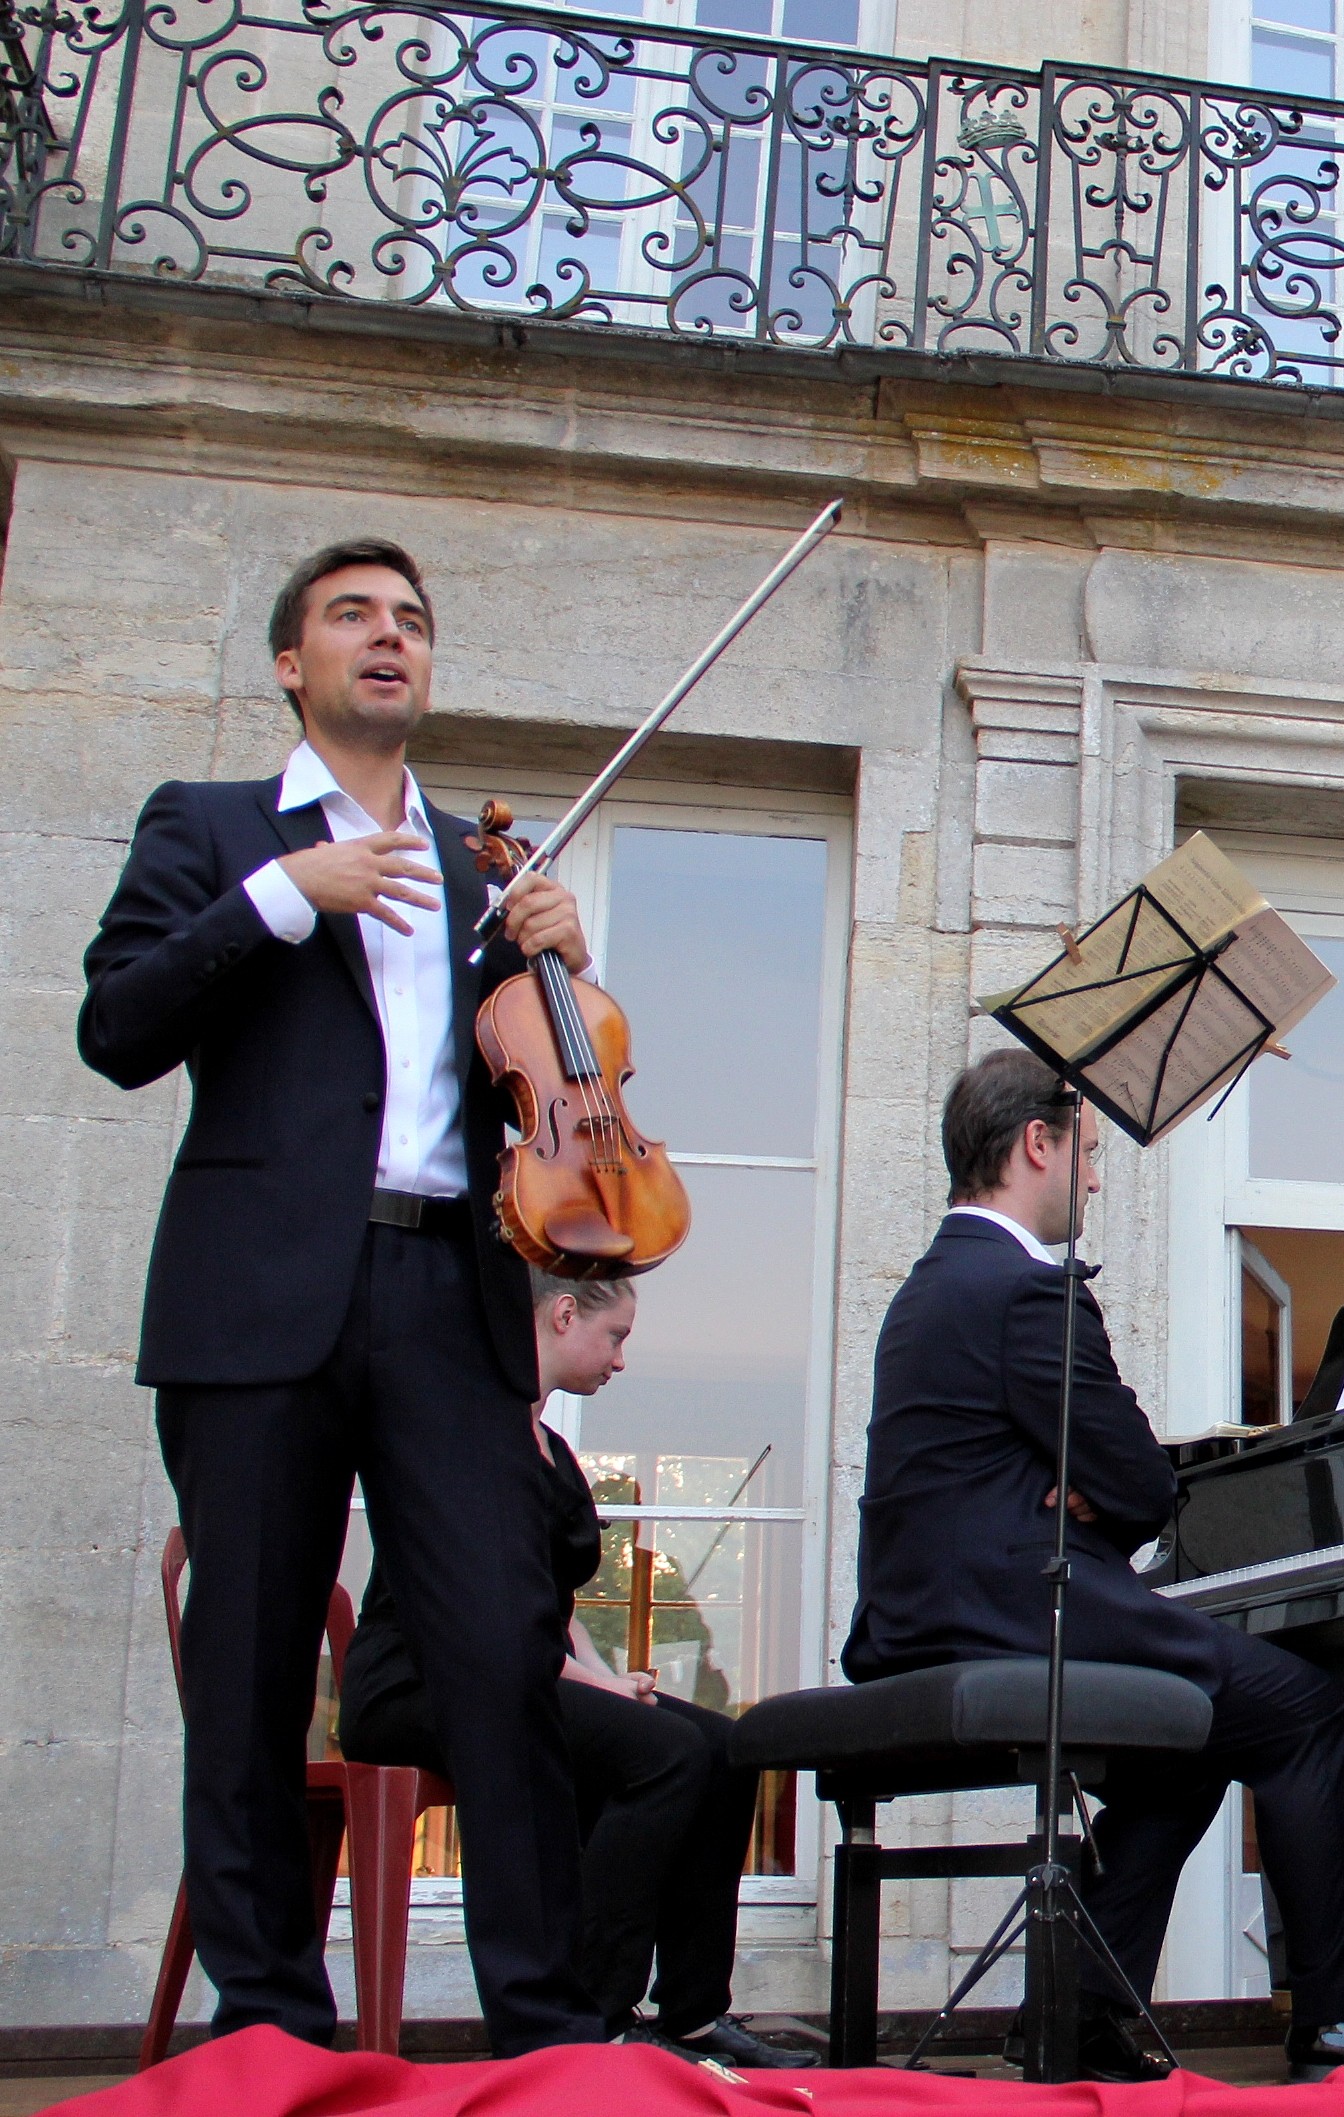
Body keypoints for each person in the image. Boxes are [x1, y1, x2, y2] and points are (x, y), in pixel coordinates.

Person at [80, 540, 606, 2053]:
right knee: (245, 1669)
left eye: (413, 623)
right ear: (291, 667)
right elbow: (115, 1026)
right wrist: (283, 898)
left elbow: (555, 1093)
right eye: (353, 618)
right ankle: (270, 2028)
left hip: (447, 1289)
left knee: (503, 1646)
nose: (390, 639)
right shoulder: (213, 829)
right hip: (257, 1296)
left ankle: (546, 2023)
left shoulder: (479, 868)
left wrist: (568, 968)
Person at [841, 1052, 1344, 2084]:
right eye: (1090, 1155)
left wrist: (1072, 1492)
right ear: (1037, 1143)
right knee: (1304, 1708)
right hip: (1012, 1611)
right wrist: (1091, 1493)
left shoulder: (927, 1291)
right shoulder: (1027, 1292)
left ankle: (1081, 2012)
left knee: (1188, 1744)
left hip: (926, 1614)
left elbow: (1045, 1475)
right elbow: (1144, 1488)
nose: (1097, 1180)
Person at [337, 1276, 812, 2070]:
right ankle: (596, 2011)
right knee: (662, 1754)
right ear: (563, 1314)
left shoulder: (550, 1448)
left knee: (726, 1748)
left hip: (518, 1668)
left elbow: (547, 1611)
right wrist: (591, 1686)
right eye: (616, 1335)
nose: (623, 1359)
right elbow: (481, 1612)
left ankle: (693, 2012)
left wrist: (604, 1675)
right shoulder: (467, 1438)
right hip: (419, 1682)